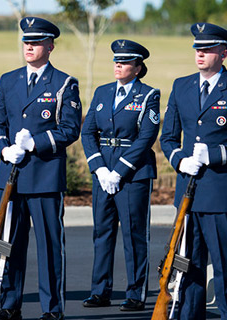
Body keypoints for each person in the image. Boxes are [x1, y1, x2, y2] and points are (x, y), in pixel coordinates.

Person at [159, 23, 227, 320]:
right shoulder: (182, 86)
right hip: (188, 188)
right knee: (187, 262)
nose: (200, 53)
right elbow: (168, 137)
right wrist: (178, 159)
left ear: (224, 53)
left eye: (207, 49)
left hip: (221, 191)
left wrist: (215, 155)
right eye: (197, 48)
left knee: (224, 264)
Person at [0, 16, 82, 320]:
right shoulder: (8, 79)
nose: (29, 46)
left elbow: (69, 130)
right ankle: (8, 305)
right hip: (12, 175)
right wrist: (4, 148)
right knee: (9, 245)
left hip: (44, 176)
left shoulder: (64, 83)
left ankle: (52, 309)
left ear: (50, 46)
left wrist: (35, 142)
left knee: (49, 248)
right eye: (26, 41)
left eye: (36, 41)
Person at [81, 39, 160, 312]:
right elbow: (87, 131)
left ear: (138, 68)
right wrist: (100, 168)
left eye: (125, 62)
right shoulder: (102, 92)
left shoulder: (149, 95)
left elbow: (146, 138)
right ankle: (100, 291)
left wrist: (119, 171)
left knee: (134, 233)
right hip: (103, 171)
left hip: (133, 173)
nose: (118, 64)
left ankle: (136, 293)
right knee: (102, 232)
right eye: (116, 60)